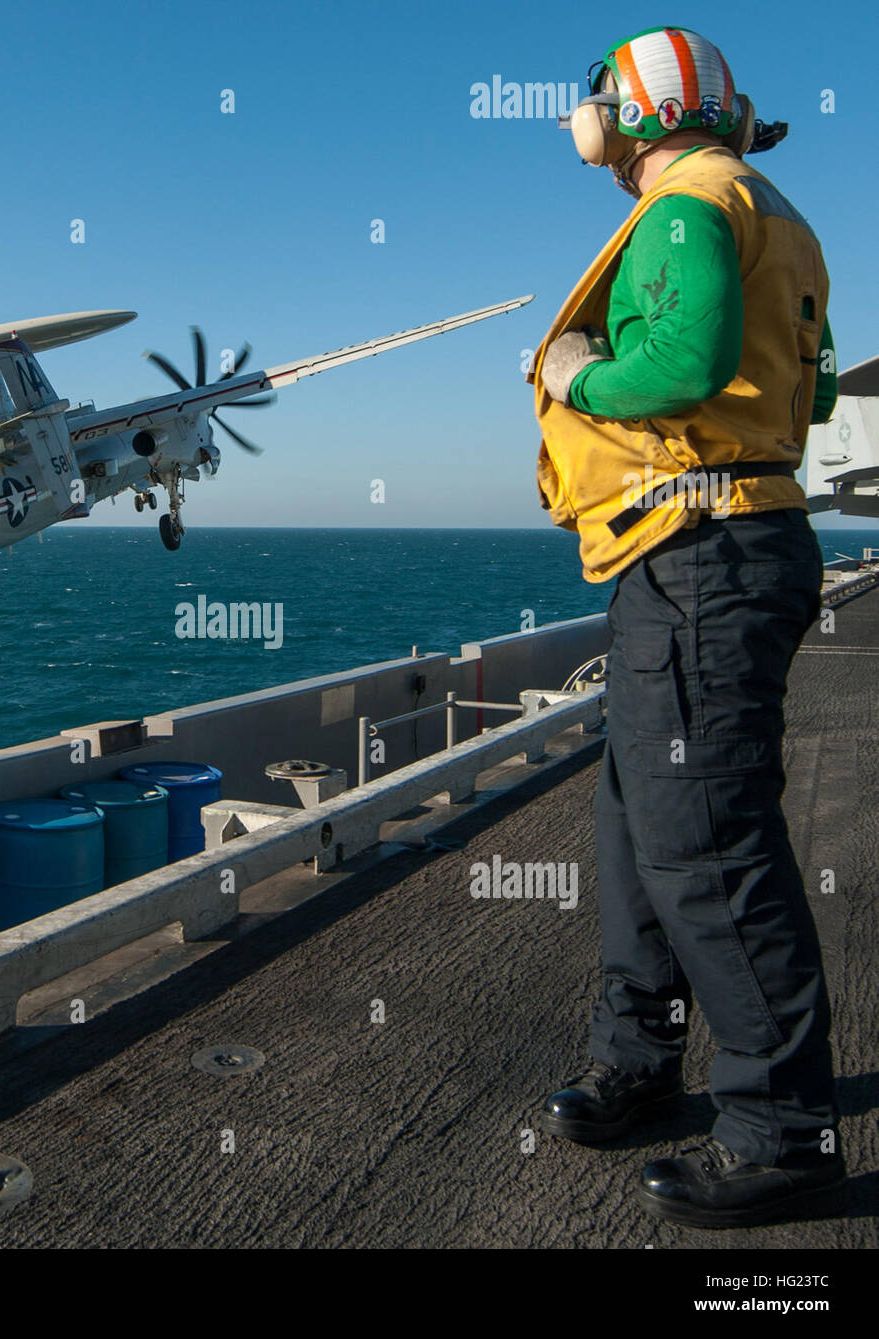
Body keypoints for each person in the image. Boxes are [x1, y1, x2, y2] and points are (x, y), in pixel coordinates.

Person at [528, 25, 844, 1228]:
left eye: (598, 101)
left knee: (705, 843)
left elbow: (686, 359)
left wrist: (573, 374)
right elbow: (804, 387)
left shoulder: (686, 204)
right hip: (706, 548)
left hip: (701, 557)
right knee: (634, 822)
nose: (586, 120)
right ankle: (641, 1060)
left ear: (639, 111)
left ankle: (782, 1128)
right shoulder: (778, 211)